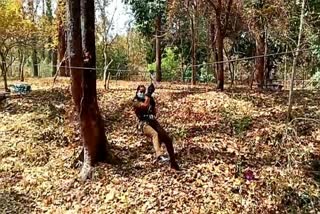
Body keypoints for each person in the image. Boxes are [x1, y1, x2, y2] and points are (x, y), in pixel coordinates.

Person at [133, 83, 180, 170]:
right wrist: (148, 95)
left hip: (153, 122)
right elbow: (144, 106)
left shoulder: (148, 99)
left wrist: (152, 104)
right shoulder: (136, 101)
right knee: (155, 134)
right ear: (137, 91)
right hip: (143, 124)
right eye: (141, 91)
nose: (142, 93)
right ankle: (159, 155)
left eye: (144, 91)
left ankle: (173, 162)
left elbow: (154, 112)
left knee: (168, 140)